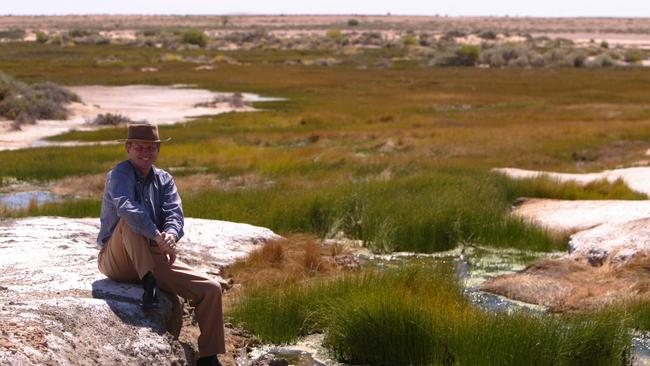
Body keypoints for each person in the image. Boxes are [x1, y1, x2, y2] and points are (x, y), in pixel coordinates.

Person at [96, 123, 225, 366]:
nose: (145, 153)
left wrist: (171, 236)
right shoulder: (119, 175)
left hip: (152, 254)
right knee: (129, 220)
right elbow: (126, 207)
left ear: (158, 150)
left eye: (151, 148)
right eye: (140, 148)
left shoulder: (164, 179)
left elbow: (174, 214)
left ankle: (209, 356)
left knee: (211, 289)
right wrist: (157, 234)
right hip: (117, 260)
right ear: (128, 148)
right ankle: (149, 283)